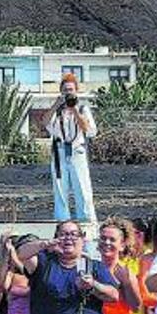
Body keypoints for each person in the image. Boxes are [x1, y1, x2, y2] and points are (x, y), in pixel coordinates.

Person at [46, 72, 97, 223]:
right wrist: (56, 104)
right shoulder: (57, 110)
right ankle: (62, 221)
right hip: (60, 151)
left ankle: (86, 220)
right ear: (61, 92)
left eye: (71, 90)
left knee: (82, 188)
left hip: (77, 151)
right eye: (65, 90)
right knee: (60, 189)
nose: (68, 93)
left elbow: (89, 130)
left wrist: (74, 109)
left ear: (76, 91)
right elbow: (45, 123)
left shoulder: (82, 109)